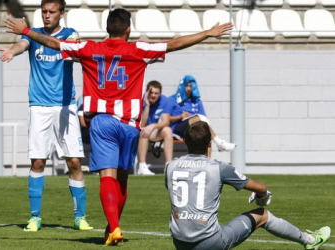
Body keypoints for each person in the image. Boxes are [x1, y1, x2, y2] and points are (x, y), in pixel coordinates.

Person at [3, 8, 233, 245]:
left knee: (107, 178)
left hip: (103, 123)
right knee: (122, 179)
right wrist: (207, 32)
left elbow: (52, 43)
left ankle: (113, 227)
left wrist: (27, 31)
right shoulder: (139, 50)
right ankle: (113, 227)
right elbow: (174, 44)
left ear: (107, 29)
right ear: (128, 30)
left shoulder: (89, 48)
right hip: (129, 125)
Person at [0, 0, 92, 232]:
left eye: (51, 12)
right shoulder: (33, 35)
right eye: (44, 12)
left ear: (62, 13)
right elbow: (23, 43)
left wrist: (27, 33)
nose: (47, 15)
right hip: (39, 106)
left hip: (65, 107)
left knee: (73, 161)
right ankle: (35, 217)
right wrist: (13, 50)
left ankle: (80, 217)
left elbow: (62, 46)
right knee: (38, 161)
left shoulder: (71, 34)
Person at [165, 121, 331, 250]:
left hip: (179, 242)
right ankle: (310, 241)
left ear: (185, 141)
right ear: (210, 143)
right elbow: (261, 187)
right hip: (210, 242)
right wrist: (262, 195)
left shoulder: (170, 167)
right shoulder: (218, 167)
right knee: (262, 215)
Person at [170, 74, 236, 156]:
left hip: (193, 129)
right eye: (186, 85)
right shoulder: (172, 99)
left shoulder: (197, 102)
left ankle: (208, 163)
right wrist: (180, 116)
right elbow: (166, 118)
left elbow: (204, 119)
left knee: (206, 134)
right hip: (178, 129)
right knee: (199, 118)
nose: (188, 89)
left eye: (191, 86)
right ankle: (218, 142)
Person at [137, 80, 175, 175]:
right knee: (144, 130)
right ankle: (142, 166)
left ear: (160, 94)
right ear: (147, 92)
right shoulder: (140, 100)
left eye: (156, 93)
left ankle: (168, 166)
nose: (153, 95)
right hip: (141, 132)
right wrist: (147, 106)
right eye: (151, 93)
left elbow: (166, 122)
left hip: (154, 131)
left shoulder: (164, 100)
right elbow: (142, 124)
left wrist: (153, 126)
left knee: (168, 130)